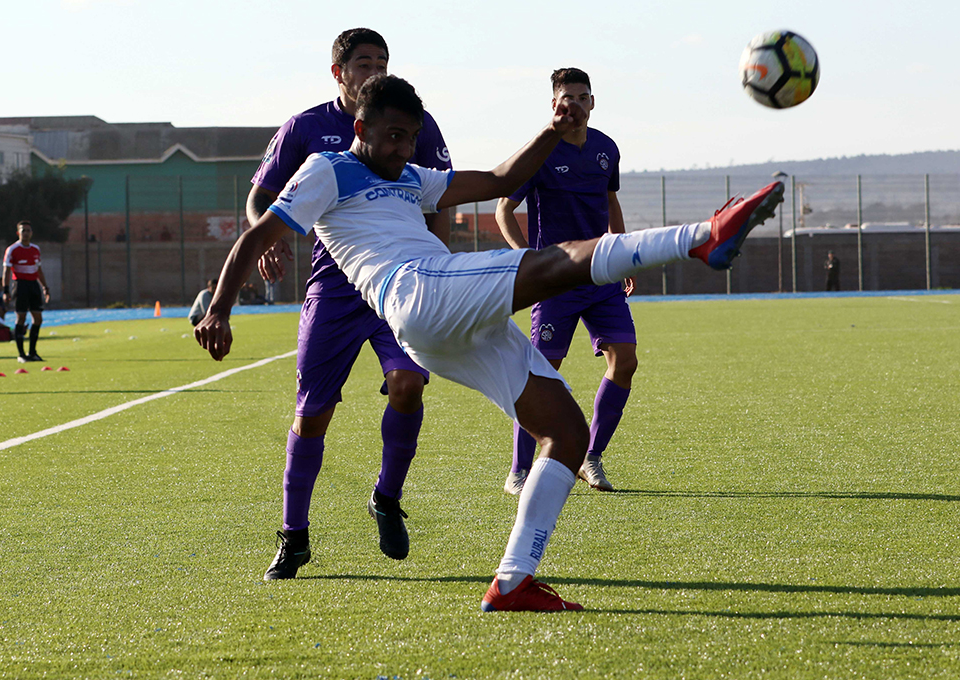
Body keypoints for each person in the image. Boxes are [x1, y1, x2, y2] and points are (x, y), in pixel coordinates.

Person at [196, 75, 784, 611]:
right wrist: (220, 310)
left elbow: (502, 180)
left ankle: (512, 581)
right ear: (360, 129)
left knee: (568, 434)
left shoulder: (409, 178)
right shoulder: (325, 169)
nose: (404, 147)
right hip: (418, 292)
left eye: (411, 137)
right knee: (555, 264)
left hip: (440, 326)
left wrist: (553, 130)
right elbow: (257, 236)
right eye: (393, 135)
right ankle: (705, 236)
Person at [245, 28, 452, 580]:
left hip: (400, 285)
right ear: (338, 72)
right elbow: (262, 197)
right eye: (364, 62)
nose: (375, 70)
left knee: (408, 386)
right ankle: (294, 537)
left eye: (383, 61)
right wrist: (268, 241)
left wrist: (439, 263)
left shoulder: (412, 119)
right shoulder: (307, 129)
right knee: (313, 416)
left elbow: (444, 195)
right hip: (334, 288)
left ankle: (386, 496)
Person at [497, 67, 635, 495]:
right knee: (542, 373)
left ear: (592, 102)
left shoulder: (606, 149)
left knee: (625, 361)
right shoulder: (541, 151)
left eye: (582, 96)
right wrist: (528, 259)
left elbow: (610, 202)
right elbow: (504, 209)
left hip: (601, 274)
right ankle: (519, 470)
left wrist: (622, 252)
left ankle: (590, 457)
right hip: (556, 279)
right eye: (566, 98)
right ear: (554, 105)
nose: (574, 104)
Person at [1, 221, 51, 362]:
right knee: (21, 318)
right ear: (18, 233)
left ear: (32, 233)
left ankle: (33, 352)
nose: (26, 233)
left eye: (28, 230)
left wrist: (45, 287)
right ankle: (21, 354)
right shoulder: (12, 249)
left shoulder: (36, 249)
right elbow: (6, 271)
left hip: (34, 286)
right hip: (20, 286)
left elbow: (39, 270)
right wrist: (6, 290)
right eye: (23, 230)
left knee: (38, 319)